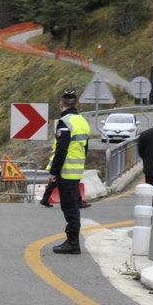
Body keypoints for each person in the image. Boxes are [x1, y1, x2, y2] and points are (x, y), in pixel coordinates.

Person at [47, 88, 90, 255]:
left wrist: (53, 172)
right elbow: (85, 148)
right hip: (77, 170)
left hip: (65, 171)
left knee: (70, 209)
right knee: (73, 207)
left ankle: (72, 242)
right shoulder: (82, 122)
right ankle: (72, 240)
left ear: (61, 104)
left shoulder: (65, 122)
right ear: (77, 104)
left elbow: (61, 150)